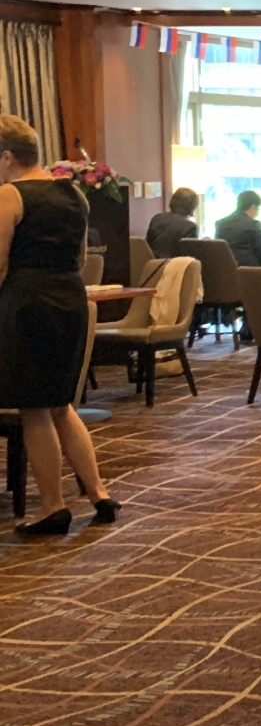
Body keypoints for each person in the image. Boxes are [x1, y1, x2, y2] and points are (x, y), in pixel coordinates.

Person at [0, 116, 120, 540]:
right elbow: (82, 257)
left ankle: (52, 506)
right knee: (61, 404)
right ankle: (99, 494)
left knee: (34, 408)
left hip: (27, 303)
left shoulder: (10, 194)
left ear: (8, 156)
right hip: (71, 298)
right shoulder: (73, 194)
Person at [215, 190, 261, 267]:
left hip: (227, 269)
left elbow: (219, 249)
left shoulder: (220, 224)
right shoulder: (254, 225)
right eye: (258, 209)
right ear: (253, 207)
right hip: (250, 269)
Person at [145, 188, 200, 261]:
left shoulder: (157, 219)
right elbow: (190, 258)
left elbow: (147, 247)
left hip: (152, 265)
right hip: (176, 266)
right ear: (192, 207)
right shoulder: (190, 227)